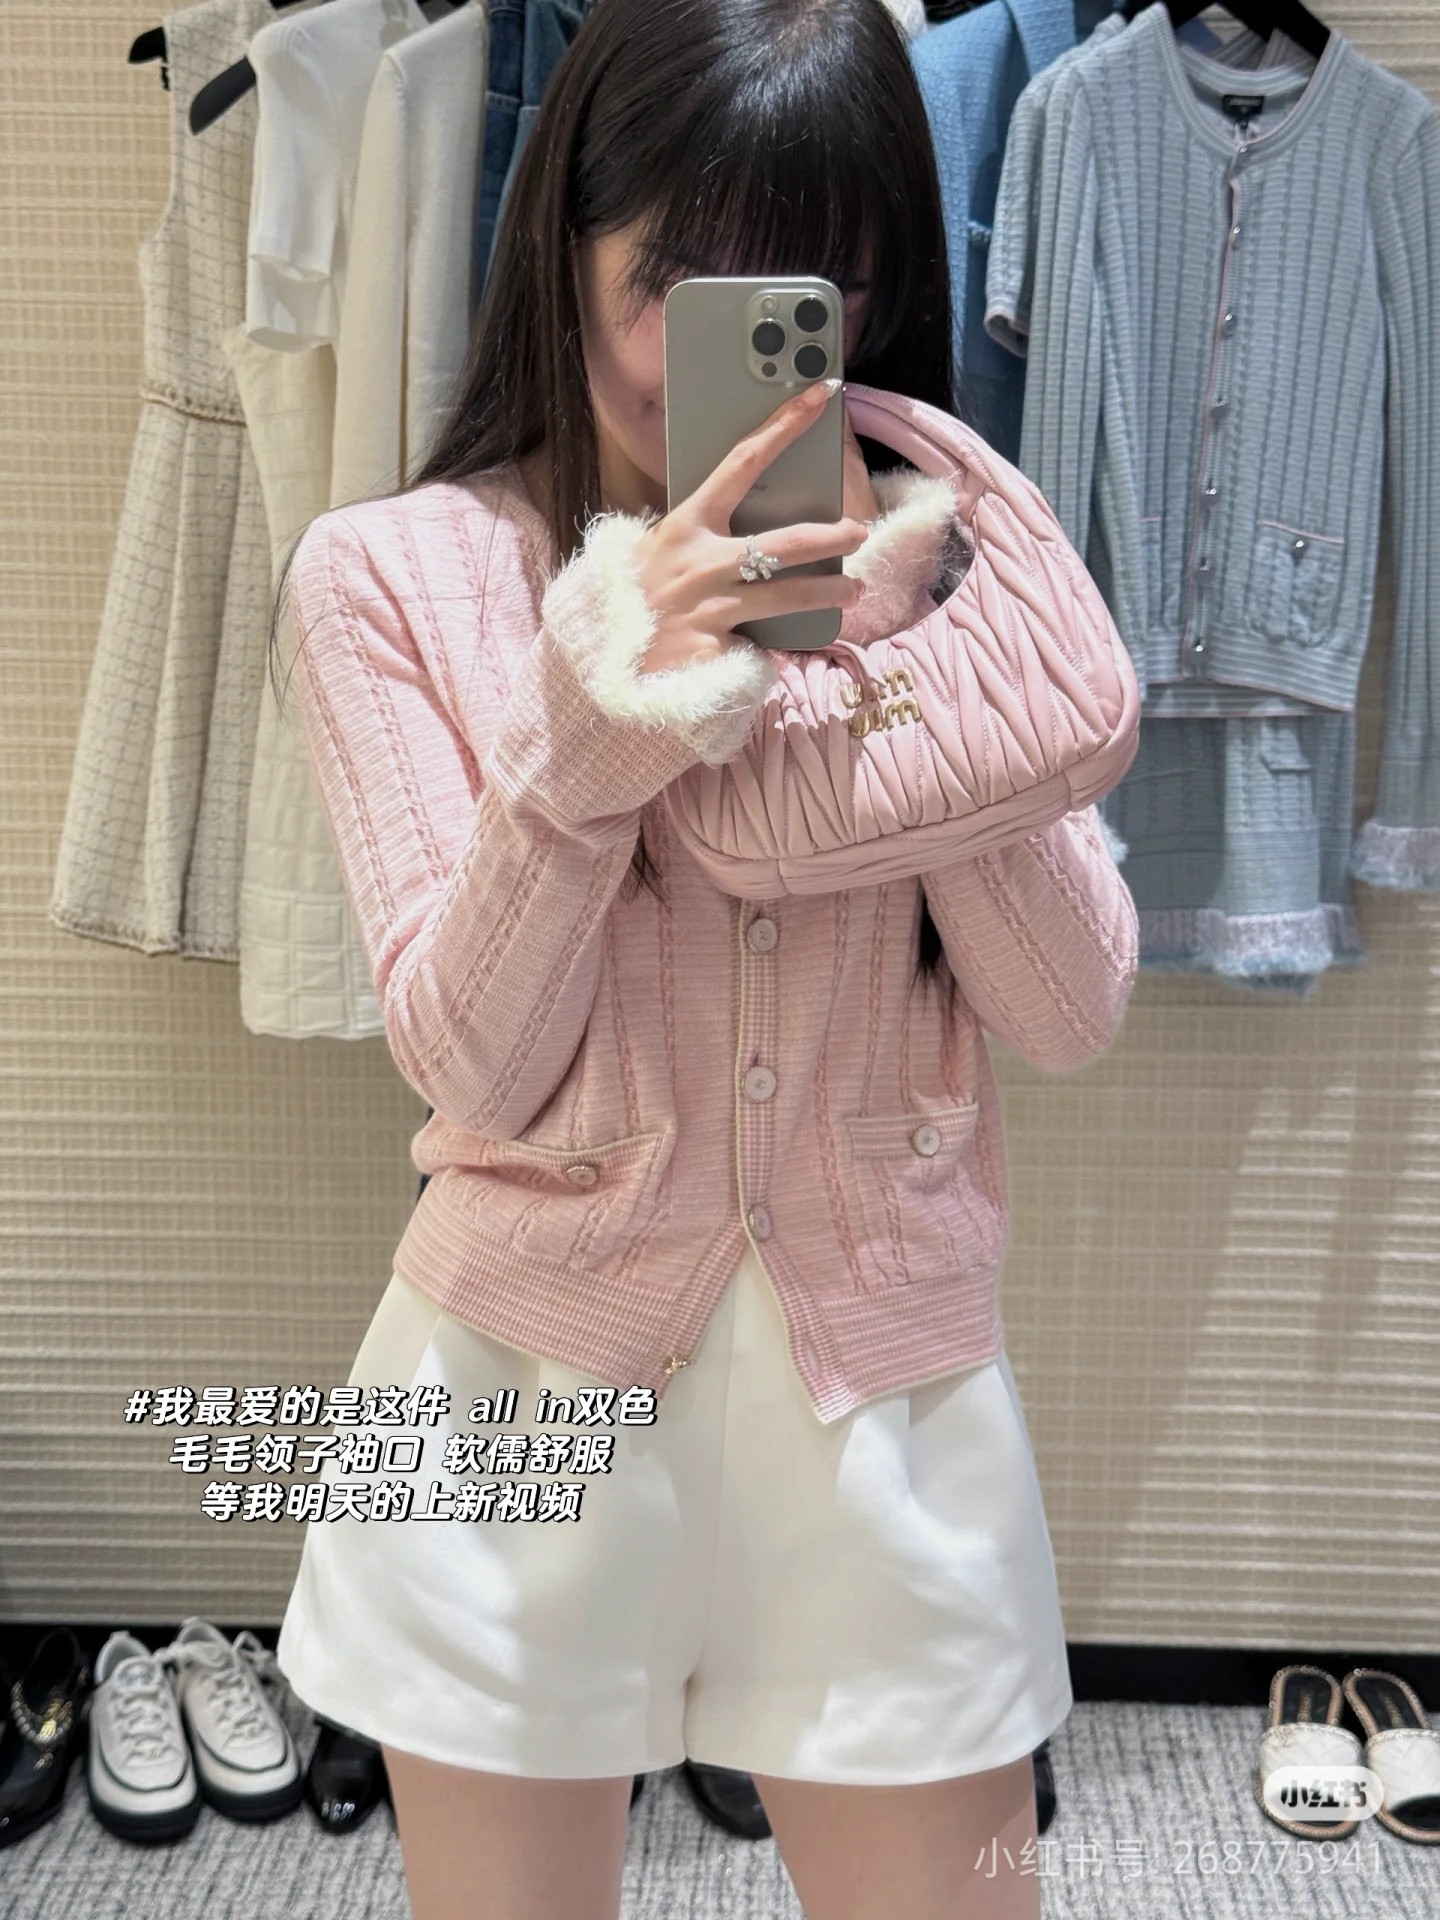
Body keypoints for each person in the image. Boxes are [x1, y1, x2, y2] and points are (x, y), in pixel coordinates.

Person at [267, 2, 1137, 1916]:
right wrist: (594, 723)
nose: (722, 358)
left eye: (798, 294)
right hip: (507, 1404)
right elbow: (472, 1066)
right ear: (560, 245)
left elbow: (1069, 1011)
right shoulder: (391, 579)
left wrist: (900, 667)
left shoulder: (949, 578)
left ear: (876, 300)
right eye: (671, 280)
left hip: (889, 1410)